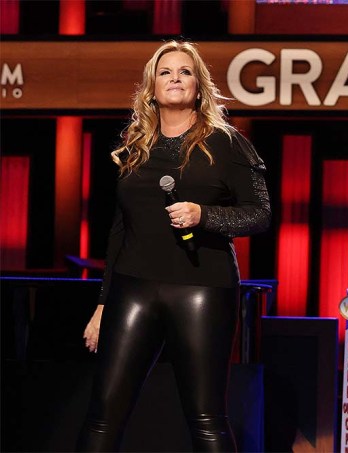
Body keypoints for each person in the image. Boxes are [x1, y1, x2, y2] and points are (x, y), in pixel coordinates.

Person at [77, 40, 271, 452]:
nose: (175, 78)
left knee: (206, 418)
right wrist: (103, 303)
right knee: (103, 413)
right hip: (133, 287)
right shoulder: (135, 145)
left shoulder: (226, 142)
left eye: (185, 72)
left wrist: (205, 215)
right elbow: (119, 229)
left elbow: (260, 214)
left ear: (199, 87)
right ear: (151, 88)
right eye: (166, 72)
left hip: (202, 289)